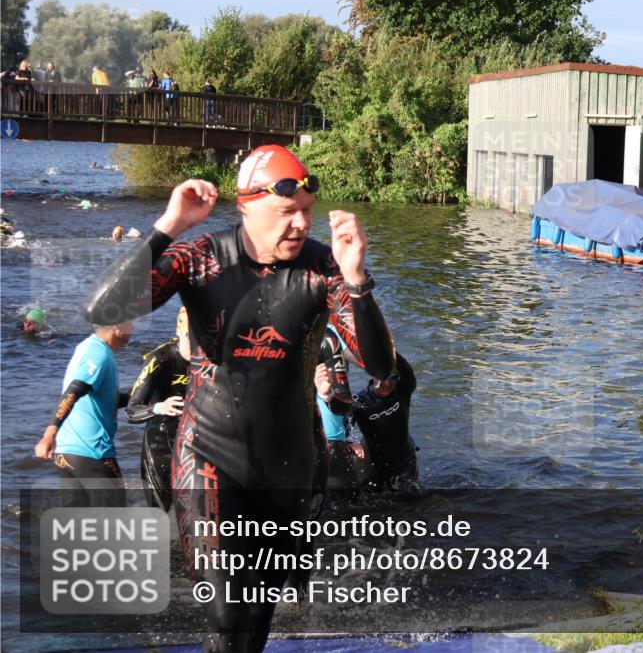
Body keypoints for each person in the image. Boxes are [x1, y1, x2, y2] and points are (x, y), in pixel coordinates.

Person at [82, 144, 395, 652]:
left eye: (306, 213)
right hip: (208, 455)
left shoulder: (323, 268)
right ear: (247, 207)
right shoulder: (201, 257)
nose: (299, 224)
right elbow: (105, 308)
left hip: (287, 465)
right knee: (227, 613)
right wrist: (168, 227)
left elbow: (380, 369)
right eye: (286, 212)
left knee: (256, 616)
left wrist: (357, 280)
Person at [34, 322, 133, 507]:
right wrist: (49, 434)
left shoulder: (89, 346)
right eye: (130, 322)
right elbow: (73, 392)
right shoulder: (99, 354)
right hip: (92, 453)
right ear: (117, 326)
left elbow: (101, 399)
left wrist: (136, 395)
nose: (133, 328)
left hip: (67, 453)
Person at [315, 326, 419, 494]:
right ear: (371, 375)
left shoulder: (403, 390)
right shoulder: (360, 403)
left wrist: (382, 346)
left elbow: (405, 369)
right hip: (375, 465)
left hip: (404, 458)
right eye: (381, 378)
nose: (386, 384)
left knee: (411, 501)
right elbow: (341, 418)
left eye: (392, 378)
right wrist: (348, 444)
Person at [126, 307, 191, 510]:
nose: (197, 344)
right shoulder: (160, 359)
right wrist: (157, 408)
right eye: (191, 335)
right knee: (160, 514)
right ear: (179, 331)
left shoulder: (209, 358)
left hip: (193, 445)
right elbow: (132, 410)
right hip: (160, 446)